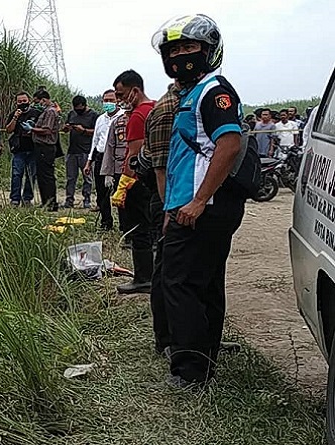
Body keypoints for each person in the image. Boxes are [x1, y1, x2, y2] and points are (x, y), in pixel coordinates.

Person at [152, 14, 247, 388]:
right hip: (191, 206)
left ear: (208, 51)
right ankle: (204, 359)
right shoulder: (191, 93)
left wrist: (197, 201)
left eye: (189, 48)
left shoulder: (213, 91)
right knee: (204, 283)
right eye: (173, 49)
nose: (180, 55)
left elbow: (230, 144)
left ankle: (190, 370)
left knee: (179, 284)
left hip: (202, 208)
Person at [142, 81, 180, 358]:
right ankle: (167, 340)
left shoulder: (192, 102)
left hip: (180, 201)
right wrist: (169, 208)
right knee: (168, 272)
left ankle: (198, 338)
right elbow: (162, 166)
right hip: (169, 201)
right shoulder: (168, 109)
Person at [113, 70, 155, 295]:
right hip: (153, 180)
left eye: (121, 95)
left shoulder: (139, 116)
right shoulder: (155, 108)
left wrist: (123, 186)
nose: (119, 100)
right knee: (152, 230)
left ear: (135, 91)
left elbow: (134, 156)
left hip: (138, 182)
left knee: (138, 230)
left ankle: (143, 278)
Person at [84, 90, 124, 230]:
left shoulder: (123, 117)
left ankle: (124, 224)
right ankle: (106, 222)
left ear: (117, 100)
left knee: (120, 191)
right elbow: (95, 141)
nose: (108, 103)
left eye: (111, 100)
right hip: (101, 157)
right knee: (102, 191)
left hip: (118, 158)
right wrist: (89, 161)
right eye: (105, 100)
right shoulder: (100, 119)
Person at [5, 92, 41, 206]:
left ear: (29, 100)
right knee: (16, 174)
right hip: (19, 149)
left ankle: (27, 199)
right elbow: (8, 130)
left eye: (24, 101)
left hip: (33, 149)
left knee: (31, 175)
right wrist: (15, 117)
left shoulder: (37, 113)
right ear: (16, 103)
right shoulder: (14, 114)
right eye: (19, 101)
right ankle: (15, 199)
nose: (22, 103)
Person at [62, 96, 98, 209]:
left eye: (79, 108)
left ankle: (87, 199)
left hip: (86, 151)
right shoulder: (71, 114)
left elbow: (97, 132)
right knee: (70, 178)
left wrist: (84, 131)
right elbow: (65, 127)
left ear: (84, 105)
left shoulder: (93, 115)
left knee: (87, 177)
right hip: (72, 151)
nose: (77, 110)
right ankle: (69, 200)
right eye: (75, 108)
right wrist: (67, 128)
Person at [30, 90, 61, 211]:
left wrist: (32, 129)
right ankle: (45, 202)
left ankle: (51, 203)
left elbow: (47, 130)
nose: (36, 104)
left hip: (46, 147)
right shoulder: (46, 112)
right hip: (40, 148)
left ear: (43, 100)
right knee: (41, 175)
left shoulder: (50, 112)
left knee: (47, 176)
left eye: (37, 101)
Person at [101, 109, 131, 234]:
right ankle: (125, 230)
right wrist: (108, 172)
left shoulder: (144, 117)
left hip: (139, 168)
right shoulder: (118, 122)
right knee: (122, 202)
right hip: (120, 168)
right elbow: (110, 147)